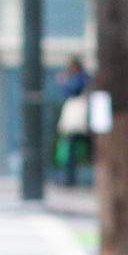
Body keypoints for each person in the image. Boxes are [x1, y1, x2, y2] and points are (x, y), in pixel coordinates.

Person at [55, 58, 92, 187]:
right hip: (76, 120)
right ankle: (70, 179)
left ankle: (72, 179)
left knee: (76, 148)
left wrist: (65, 82)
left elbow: (71, 91)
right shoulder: (77, 78)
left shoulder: (81, 79)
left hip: (78, 119)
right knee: (71, 148)